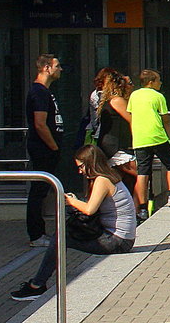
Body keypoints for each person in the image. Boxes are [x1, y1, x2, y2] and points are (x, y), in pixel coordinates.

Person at [10, 145, 136, 301]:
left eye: (81, 166)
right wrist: (75, 202)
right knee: (63, 234)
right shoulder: (108, 176)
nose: (80, 171)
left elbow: (90, 210)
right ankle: (40, 282)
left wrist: (71, 201)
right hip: (119, 237)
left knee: (60, 238)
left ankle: (37, 285)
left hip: (117, 241)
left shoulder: (102, 181)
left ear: (91, 162)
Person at [127, 69, 170, 215]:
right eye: (158, 80)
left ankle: (143, 207)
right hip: (157, 135)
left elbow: (132, 115)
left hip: (140, 138)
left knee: (143, 172)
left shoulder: (134, 95)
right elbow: (165, 118)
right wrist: (169, 135)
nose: (161, 83)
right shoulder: (158, 96)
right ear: (151, 82)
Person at [25, 55, 64, 247]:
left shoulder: (46, 92)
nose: (60, 69)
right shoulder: (39, 92)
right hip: (42, 148)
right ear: (47, 68)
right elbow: (40, 124)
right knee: (39, 189)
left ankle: (39, 232)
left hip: (47, 147)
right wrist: (53, 146)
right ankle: (36, 234)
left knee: (43, 189)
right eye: (57, 66)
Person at [94, 68, 139, 208]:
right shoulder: (117, 100)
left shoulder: (108, 100)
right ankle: (137, 208)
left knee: (124, 179)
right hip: (115, 147)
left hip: (111, 145)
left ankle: (127, 207)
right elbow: (132, 120)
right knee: (141, 173)